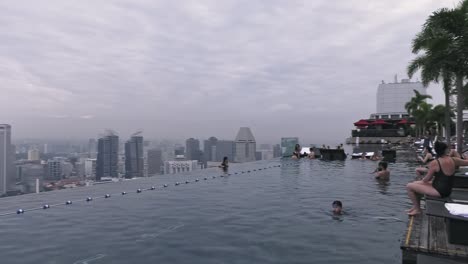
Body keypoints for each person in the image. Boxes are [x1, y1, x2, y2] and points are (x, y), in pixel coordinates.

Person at [406, 141, 468, 216]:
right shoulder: (454, 160)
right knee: (415, 184)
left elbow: (426, 180)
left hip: (439, 191)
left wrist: (421, 180)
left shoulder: (435, 163)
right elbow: (466, 162)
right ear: (445, 150)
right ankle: (416, 207)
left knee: (409, 186)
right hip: (447, 190)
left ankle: (417, 209)